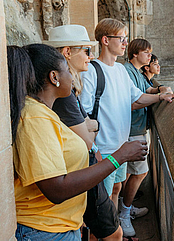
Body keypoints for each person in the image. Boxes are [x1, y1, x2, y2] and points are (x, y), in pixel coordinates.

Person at [9, 44, 148, 241]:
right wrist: (120, 157)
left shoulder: (43, 112)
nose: (71, 76)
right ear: (54, 77)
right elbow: (56, 189)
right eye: (66, 70)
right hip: (45, 230)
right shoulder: (34, 117)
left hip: (58, 226)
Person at [80, 18, 174, 238]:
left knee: (116, 191)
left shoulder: (121, 71)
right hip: (103, 150)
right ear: (106, 40)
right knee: (100, 209)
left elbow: (138, 97)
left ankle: (116, 233)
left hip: (121, 147)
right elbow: (83, 114)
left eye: (125, 38)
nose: (125, 43)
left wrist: (162, 96)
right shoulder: (92, 71)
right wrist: (93, 149)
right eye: (121, 38)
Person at [44, 24, 123, 241]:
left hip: (76, 170)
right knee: (113, 234)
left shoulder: (65, 88)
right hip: (80, 170)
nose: (90, 57)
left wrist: (90, 126)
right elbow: (87, 139)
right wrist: (92, 127)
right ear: (67, 52)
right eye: (86, 51)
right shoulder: (63, 93)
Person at [121, 40, 173, 236]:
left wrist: (161, 89)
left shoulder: (137, 72)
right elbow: (133, 101)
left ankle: (125, 208)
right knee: (140, 172)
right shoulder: (127, 71)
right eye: (146, 52)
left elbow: (147, 90)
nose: (150, 56)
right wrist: (161, 97)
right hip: (132, 129)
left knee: (128, 173)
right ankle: (124, 214)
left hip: (136, 128)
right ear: (135, 54)